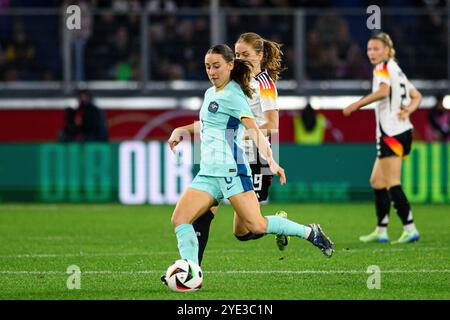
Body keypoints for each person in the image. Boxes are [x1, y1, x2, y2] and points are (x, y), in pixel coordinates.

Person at [162, 44, 334, 285]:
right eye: (207, 67)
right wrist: (182, 130)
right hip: (208, 173)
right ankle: (191, 272)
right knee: (180, 219)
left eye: (217, 66)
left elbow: (254, 130)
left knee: (255, 226)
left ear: (231, 65)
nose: (211, 71)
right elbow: (209, 125)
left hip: (232, 171)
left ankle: (309, 232)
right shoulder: (210, 93)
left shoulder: (234, 95)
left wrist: (271, 161)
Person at [188, 32, 288, 266]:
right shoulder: (235, 81)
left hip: (255, 158)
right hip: (227, 156)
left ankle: (279, 224)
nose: (241, 59)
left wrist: (242, 132)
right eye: (238, 54)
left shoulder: (264, 84)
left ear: (260, 55)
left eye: (246, 55)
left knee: (243, 232)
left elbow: (273, 125)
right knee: (205, 212)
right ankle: (193, 270)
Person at [343, 32, 422, 244]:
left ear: (387, 50)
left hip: (392, 133)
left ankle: (410, 228)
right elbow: (417, 96)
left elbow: (383, 91)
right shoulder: (397, 69)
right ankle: (381, 230)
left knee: (392, 183)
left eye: (376, 48)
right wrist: (409, 110)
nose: (372, 53)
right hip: (400, 131)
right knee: (377, 181)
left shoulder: (383, 68)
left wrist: (356, 104)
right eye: (369, 49)